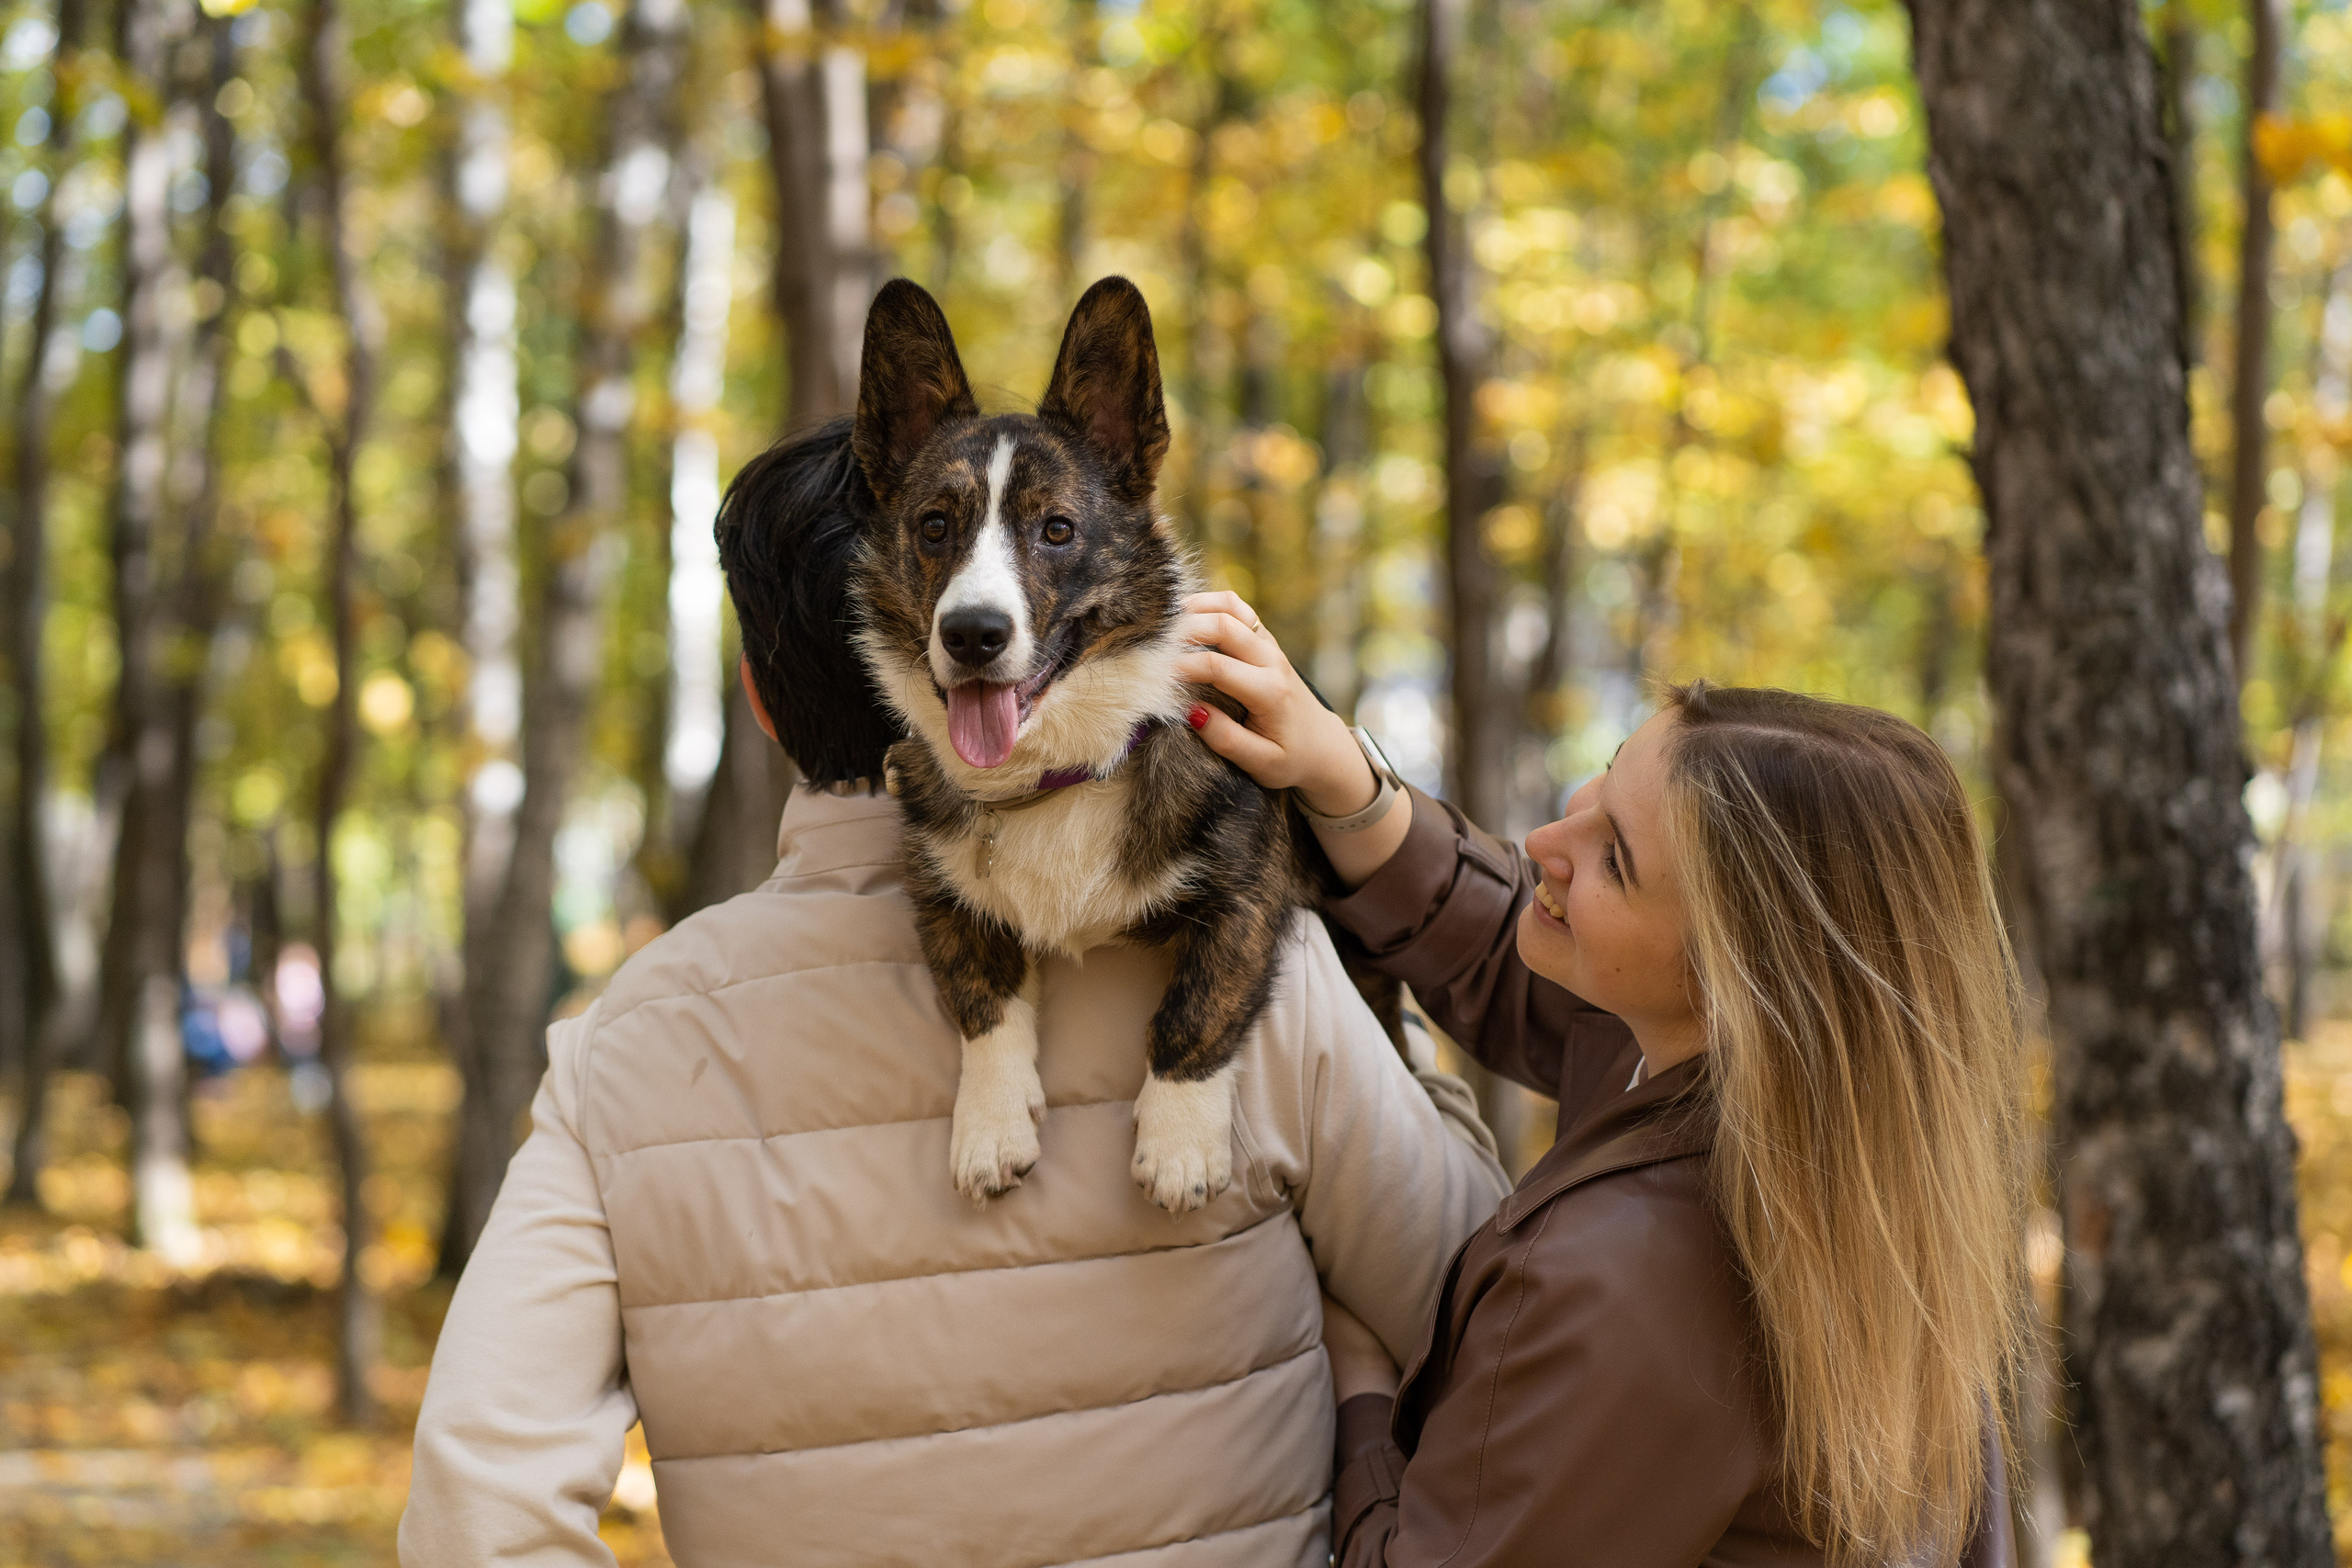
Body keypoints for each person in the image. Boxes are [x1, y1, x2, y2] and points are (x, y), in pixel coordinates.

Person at [397, 424, 1510, 1568]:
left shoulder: (622, 1048)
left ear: (758, 697)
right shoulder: (1250, 964)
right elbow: (1495, 1316)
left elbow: (476, 1510)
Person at [1180, 593, 2027, 1567]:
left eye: (1613, 860)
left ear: (1732, 987)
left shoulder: (1607, 1285)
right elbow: (1518, 952)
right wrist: (1345, 781)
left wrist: (1364, 1391)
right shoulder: (1860, 1145)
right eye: (1601, 785)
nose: (1549, 840)